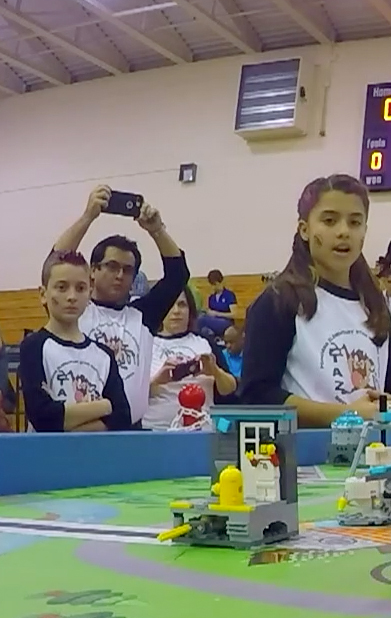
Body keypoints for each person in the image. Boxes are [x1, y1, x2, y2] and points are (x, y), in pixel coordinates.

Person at [239, 175, 391, 425]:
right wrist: (347, 415)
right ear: (305, 229)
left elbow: (389, 389)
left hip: (372, 456)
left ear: (365, 232)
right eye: (329, 220)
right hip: (306, 458)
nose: (343, 232)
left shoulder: (374, 305)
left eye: (355, 222)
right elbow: (257, 396)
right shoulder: (279, 301)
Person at [51, 185, 189, 427]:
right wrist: (88, 217)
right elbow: (55, 262)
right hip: (78, 430)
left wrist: (156, 230)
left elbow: (178, 274)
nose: (120, 275)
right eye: (112, 266)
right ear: (93, 270)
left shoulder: (142, 316)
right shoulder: (74, 309)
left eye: (127, 270)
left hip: (130, 431)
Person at [19, 250, 131, 433]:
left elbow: (122, 417)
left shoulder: (104, 354)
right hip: (48, 457)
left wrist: (66, 423)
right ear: (43, 294)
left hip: (96, 455)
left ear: (89, 293)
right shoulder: (34, 347)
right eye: (62, 287)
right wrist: (104, 405)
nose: (71, 297)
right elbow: (42, 417)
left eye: (80, 288)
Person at [144, 289, 237, 431]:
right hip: (155, 430)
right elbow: (129, 399)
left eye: (182, 305)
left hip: (201, 430)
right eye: (170, 304)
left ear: (190, 310)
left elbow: (230, 390)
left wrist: (215, 372)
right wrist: (157, 380)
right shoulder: (145, 343)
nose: (176, 311)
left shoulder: (205, 343)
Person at [197, 269, 237, 337]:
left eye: (215, 284)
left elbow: (234, 314)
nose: (214, 287)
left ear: (220, 282)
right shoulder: (211, 297)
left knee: (201, 320)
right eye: (212, 285)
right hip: (214, 321)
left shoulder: (229, 295)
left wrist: (217, 314)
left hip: (226, 322)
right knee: (204, 329)